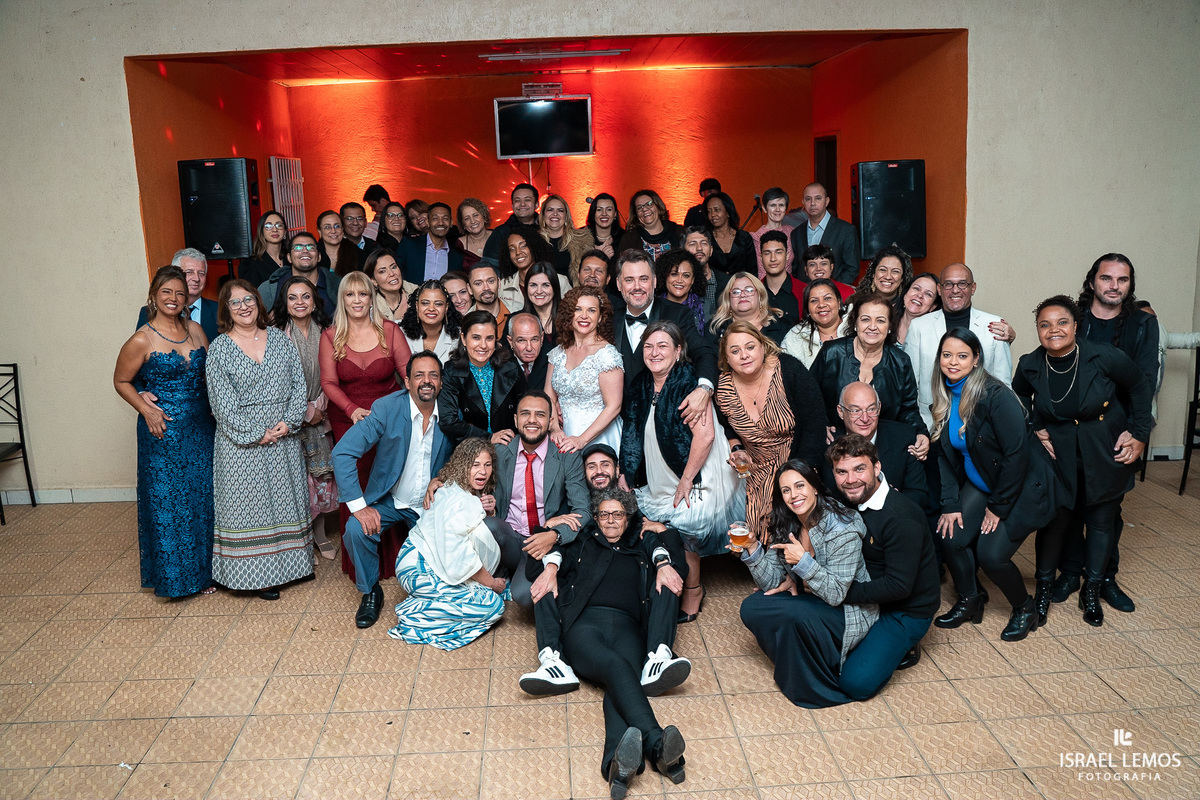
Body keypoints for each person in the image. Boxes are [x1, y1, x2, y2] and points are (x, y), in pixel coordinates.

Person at [522, 486, 690, 797]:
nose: (610, 521)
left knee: (620, 678)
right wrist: (551, 537)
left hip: (628, 628)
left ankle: (617, 767)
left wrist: (663, 533)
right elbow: (533, 564)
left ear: (629, 518)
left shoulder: (643, 546)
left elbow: (680, 566)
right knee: (616, 665)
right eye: (603, 515)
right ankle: (656, 745)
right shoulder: (582, 543)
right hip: (584, 628)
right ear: (596, 518)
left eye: (617, 515)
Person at [1013, 296, 1152, 628]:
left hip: (1103, 445)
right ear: (1037, 330)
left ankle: (1092, 590)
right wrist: (1036, 425)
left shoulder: (1102, 356)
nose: (1054, 330)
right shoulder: (1031, 364)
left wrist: (1139, 433)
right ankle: (1045, 588)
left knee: (1102, 520)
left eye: (1062, 322)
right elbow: (1017, 396)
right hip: (1057, 453)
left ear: (1076, 325)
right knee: (1057, 521)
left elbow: (1138, 386)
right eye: (1044, 324)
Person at [931, 328, 1063, 640]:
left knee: (992, 555)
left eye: (962, 355)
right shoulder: (945, 393)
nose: (953, 362)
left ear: (976, 360)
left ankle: (1024, 608)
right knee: (949, 536)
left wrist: (997, 507)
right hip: (984, 481)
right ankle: (970, 600)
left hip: (1023, 486)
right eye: (946, 355)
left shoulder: (996, 396)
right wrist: (951, 504)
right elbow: (945, 456)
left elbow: (1016, 457)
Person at [1050, 255, 1160, 612]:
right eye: (1107, 278)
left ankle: (1104, 579)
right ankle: (1069, 572)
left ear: (1130, 285)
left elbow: (1145, 382)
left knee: (1106, 510)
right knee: (1069, 507)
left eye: (1122, 279)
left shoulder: (1143, 324)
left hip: (1116, 432)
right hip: (1068, 430)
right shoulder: (1073, 318)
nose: (1114, 285)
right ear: (1093, 281)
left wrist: (1138, 433)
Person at [621, 321, 744, 621]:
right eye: (649, 346)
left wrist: (686, 480)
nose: (654, 352)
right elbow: (632, 432)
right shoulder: (640, 383)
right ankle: (662, 579)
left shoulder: (689, 382)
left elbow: (705, 437)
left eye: (663, 346)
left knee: (686, 523)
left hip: (696, 470)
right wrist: (627, 470)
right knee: (651, 522)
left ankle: (693, 589)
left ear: (678, 351)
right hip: (656, 470)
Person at [737, 459, 878, 707]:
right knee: (752, 606)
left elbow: (836, 593)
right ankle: (796, 657)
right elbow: (772, 581)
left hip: (847, 610)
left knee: (793, 614)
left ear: (814, 486)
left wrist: (802, 564)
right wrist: (753, 550)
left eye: (799, 486)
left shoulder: (842, 528)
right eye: (786, 490)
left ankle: (815, 679)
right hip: (810, 600)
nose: (794, 495)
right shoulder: (787, 521)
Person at [207, 280, 312, 600]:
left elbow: (299, 385)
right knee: (249, 510)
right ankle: (255, 576)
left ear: (258, 302)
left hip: (283, 436)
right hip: (241, 445)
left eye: (248, 299)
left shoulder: (280, 340)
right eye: (235, 303)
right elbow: (221, 405)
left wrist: (289, 422)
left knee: (283, 505)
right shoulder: (219, 349)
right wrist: (257, 433)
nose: (244, 307)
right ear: (226, 310)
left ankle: (292, 567)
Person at [114, 265, 214, 598]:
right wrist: (145, 407)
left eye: (180, 293)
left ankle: (207, 574)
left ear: (187, 299)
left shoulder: (196, 330)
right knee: (170, 503)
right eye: (167, 292)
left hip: (202, 430)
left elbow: (214, 373)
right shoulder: (141, 338)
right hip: (163, 434)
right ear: (154, 296)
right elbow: (121, 381)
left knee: (202, 500)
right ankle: (177, 580)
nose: (173, 298)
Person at [332, 351, 452, 628]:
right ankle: (371, 590)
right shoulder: (387, 408)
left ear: (441, 383)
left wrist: (443, 478)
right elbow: (343, 453)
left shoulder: (450, 410)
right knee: (354, 529)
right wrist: (359, 507)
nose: (426, 381)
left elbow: (463, 454)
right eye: (419, 375)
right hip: (391, 498)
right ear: (406, 381)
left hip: (429, 504)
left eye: (433, 375)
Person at [319, 271, 412, 581]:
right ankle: (361, 564)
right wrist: (352, 409)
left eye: (363, 294)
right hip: (348, 421)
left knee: (386, 484)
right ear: (342, 300)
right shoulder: (331, 336)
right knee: (355, 487)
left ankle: (395, 560)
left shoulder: (390, 331)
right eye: (350, 294)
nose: (357, 300)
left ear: (372, 299)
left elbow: (409, 376)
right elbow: (329, 383)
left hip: (386, 423)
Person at [829, 435, 940, 690]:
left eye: (859, 469)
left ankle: (906, 646)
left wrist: (838, 592)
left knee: (856, 683)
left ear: (877, 468)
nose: (850, 479)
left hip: (905, 610)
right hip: (868, 593)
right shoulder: (850, 500)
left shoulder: (901, 517)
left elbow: (899, 586)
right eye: (841, 472)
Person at [389, 437, 508, 649]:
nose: (482, 471)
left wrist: (489, 510)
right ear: (463, 465)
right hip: (419, 567)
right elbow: (458, 552)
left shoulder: (454, 487)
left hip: (415, 560)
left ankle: (427, 600)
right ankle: (412, 615)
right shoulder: (461, 499)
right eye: (475, 464)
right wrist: (490, 583)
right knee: (493, 606)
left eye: (487, 464)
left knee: (482, 595)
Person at [714, 322, 827, 541]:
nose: (744, 355)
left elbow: (814, 423)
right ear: (726, 358)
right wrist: (736, 448)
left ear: (763, 347)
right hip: (753, 467)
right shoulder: (723, 388)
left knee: (789, 513)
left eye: (750, 347)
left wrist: (801, 471)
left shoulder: (788, 368)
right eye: (735, 351)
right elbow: (725, 425)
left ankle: (796, 569)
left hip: (795, 457)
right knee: (751, 531)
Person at [482, 392, 592, 608]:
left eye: (540, 414)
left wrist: (554, 535)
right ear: (515, 420)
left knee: (525, 596)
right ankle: (493, 572)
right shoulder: (499, 451)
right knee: (487, 526)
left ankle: (521, 574)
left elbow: (583, 510)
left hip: (542, 540)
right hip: (509, 536)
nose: (532, 420)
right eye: (525, 414)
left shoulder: (566, 456)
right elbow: (466, 470)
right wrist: (438, 480)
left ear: (551, 421)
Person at [810, 291, 930, 457]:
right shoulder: (831, 353)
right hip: (833, 444)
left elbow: (908, 408)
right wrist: (819, 425)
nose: (872, 326)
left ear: (889, 327)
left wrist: (921, 432)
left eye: (880, 321)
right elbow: (808, 396)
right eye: (865, 319)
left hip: (882, 446)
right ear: (855, 323)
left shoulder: (900, 361)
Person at [271, 276, 338, 562]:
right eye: (293, 297)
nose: (300, 302)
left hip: (323, 412)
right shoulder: (274, 334)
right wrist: (306, 413)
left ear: (314, 301)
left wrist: (320, 408)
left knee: (319, 481)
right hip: (289, 419)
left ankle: (319, 534)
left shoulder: (327, 331)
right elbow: (274, 383)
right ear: (284, 303)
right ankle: (298, 541)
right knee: (296, 483)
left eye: (306, 296)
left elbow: (333, 375)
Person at [904, 263, 1016, 430]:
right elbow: (910, 384)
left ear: (973, 288)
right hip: (931, 424)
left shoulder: (993, 326)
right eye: (948, 284)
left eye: (962, 283)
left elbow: (1004, 385)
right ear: (940, 289)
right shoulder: (919, 327)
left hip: (981, 426)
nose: (955, 289)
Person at [609, 249, 717, 424]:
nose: (637, 286)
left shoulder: (677, 314)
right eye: (629, 280)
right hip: (618, 420)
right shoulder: (609, 318)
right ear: (619, 284)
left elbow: (704, 352)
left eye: (644, 279)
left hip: (667, 419)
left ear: (654, 281)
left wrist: (704, 388)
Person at [546, 286, 624, 455]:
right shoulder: (557, 353)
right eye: (578, 309)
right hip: (562, 436)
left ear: (600, 317)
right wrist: (554, 429)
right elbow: (548, 398)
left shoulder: (607, 355)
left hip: (598, 436)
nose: (584, 316)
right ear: (570, 314)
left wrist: (582, 439)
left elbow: (614, 406)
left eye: (591, 310)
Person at [830, 382, 929, 513]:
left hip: (893, 520)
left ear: (879, 408)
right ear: (841, 412)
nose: (865, 418)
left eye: (871, 409)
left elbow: (919, 494)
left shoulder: (903, 437)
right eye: (856, 411)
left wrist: (894, 501)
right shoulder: (828, 442)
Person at [438, 310, 527, 446]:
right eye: (476, 337)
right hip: (469, 446)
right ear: (463, 339)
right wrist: (488, 437)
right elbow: (448, 421)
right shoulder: (452, 370)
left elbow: (525, 406)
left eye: (489, 338)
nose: (483, 345)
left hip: (508, 445)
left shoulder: (509, 366)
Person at [136, 248, 219, 342]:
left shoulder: (220, 311)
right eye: (189, 272)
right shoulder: (148, 312)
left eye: (201, 273)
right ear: (175, 275)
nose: (196, 278)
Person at [257, 231, 341, 317]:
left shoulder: (337, 285)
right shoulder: (270, 288)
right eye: (298, 247)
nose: (305, 251)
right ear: (289, 258)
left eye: (310, 247)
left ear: (319, 257)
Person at [789, 183, 860, 285]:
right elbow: (796, 270)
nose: (812, 203)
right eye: (808, 199)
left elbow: (852, 268)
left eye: (818, 198)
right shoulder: (796, 233)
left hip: (834, 294)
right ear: (803, 202)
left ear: (826, 201)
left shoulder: (846, 230)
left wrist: (832, 290)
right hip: (805, 294)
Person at [780, 278, 849, 368]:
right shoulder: (795, 337)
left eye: (827, 298)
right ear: (808, 308)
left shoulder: (855, 328)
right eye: (814, 301)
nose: (821, 304)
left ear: (839, 302)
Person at [497, 224, 569, 309]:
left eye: (523, 246)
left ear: (534, 247)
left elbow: (570, 313)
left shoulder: (560, 281)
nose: (518, 252)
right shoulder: (503, 286)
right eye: (512, 249)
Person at [708, 272, 790, 345]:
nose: (743, 295)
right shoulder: (715, 329)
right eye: (736, 292)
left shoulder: (782, 327)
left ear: (760, 296)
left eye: (749, 290)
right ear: (728, 299)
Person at [394, 201, 463, 285]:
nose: (440, 223)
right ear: (428, 222)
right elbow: (396, 273)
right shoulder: (409, 245)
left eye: (445, 218)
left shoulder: (457, 257)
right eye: (435, 218)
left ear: (451, 222)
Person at [398, 279, 461, 364]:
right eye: (425, 303)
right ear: (417, 306)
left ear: (446, 307)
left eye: (438, 304)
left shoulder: (459, 337)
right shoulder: (398, 332)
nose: (431, 309)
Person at [683, 226, 732, 326]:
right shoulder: (679, 285)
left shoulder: (728, 282)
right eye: (692, 244)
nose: (699, 248)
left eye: (704, 243)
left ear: (711, 250)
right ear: (682, 250)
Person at [539, 194, 592, 282]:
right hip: (541, 292)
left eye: (560, 210)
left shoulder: (582, 241)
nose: (555, 214)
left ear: (566, 216)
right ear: (543, 215)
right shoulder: (534, 241)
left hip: (573, 293)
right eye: (550, 210)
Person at [483, 183, 540, 262]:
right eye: (517, 201)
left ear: (536, 204)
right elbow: (490, 266)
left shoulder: (546, 229)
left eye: (527, 200)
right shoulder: (501, 232)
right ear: (512, 206)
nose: (522, 204)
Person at [619, 189, 683, 260]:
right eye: (639, 208)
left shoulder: (680, 233)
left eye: (649, 204)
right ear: (636, 215)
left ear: (658, 207)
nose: (645, 209)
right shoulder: (629, 239)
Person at [758, 230, 806, 324]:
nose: (773, 258)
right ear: (761, 258)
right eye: (767, 253)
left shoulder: (804, 291)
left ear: (787, 255)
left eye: (778, 252)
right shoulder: (754, 292)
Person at [654, 249, 708, 333]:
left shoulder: (706, 307)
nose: (679, 280)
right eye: (674, 274)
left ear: (692, 280)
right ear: (665, 277)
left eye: (686, 276)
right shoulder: (653, 307)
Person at [704, 191, 754, 275]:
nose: (712, 214)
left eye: (717, 210)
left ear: (727, 212)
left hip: (741, 286)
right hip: (715, 287)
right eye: (709, 211)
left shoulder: (744, 237)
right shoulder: (706, 239)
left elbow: (752, 269)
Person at [750, 186, 795, 276]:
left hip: (789, 286)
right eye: (773, 205)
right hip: (764, 286)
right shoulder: (755, 237)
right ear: (764, 209)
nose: (777, 209)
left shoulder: (792, 232)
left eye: (781, 205)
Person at [855, 244, 913, 312]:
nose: (888, 277)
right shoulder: (856, 302)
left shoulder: (908, 307)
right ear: (873, 274)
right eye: (882, 270)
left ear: (902, 278)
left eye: (895, 271)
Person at [239, 211, 288, 288]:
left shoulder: (292, 258)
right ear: (261, 232)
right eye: (268, 226)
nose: (274, 229)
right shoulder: (251, 264)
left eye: (279, 225)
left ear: (285, 232)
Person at [316, 209, 367, 276]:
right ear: (320, 231)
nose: (333, 231)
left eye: (337, 226)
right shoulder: (314, 253)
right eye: (327, 227)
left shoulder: (357, 253)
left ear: (342, 229)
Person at [506, 311, 550, 390]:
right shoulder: (500, 364)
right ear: (510, 341)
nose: (529, 348)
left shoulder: (551, 360)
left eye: (534, 339)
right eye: (521, 340)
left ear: (542, 338)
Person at [895, 272, 940, 347]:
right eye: (916, 288)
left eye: (928, 294)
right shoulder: (886, 321)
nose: (920, 295)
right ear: (905, 294)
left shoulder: (935, 336)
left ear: (933, 306)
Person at [519, 262, 561, 340]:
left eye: (545, 285)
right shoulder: (516, 320)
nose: (539, 291)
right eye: (533, 285)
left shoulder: (569, 318)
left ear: (554, 288)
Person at [467, 261, 513, 331]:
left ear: (499, 283)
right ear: (470, 289)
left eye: (491, 281)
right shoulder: (466, 322)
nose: (486, 288)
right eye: (478, 284)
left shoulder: (518, 310)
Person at [366, 248, 408, 323]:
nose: (392, 273)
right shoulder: (369, 307)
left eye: (394, 267)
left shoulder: (417, 295)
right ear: (374, 281)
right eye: (382, 271)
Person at [585, 193, 624, 260]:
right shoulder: (580, 237)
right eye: (599, 210)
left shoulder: (625, 238)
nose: (604, 214)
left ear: (615, 214)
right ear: (593, 213)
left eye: (609, 209)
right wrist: (601, 257)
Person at [454, 197, 491, 269]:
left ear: (484, 216)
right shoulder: (458, 245)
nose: (473, 221)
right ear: (463, 224)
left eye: (475, 215)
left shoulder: (498, 236)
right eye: (467, 218)